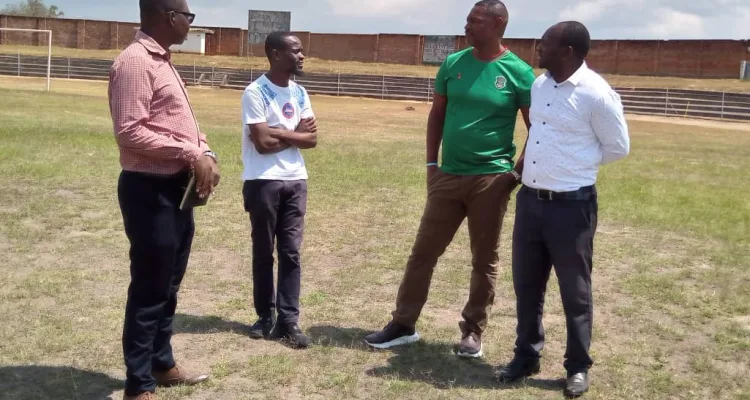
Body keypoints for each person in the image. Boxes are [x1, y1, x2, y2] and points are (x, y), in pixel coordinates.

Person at [364, 0, 535, 358]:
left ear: (498, 24)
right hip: (448, 175)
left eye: (475, 21)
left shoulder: (519, 72)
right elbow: (436, 116)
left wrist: (514, 174)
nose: (466, 26)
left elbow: (538, 131)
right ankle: (403, 323)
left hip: (491, 178)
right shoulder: (453, 64)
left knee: (483, 258)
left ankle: (473, 331)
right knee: (423, 252)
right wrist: (431, 164)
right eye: (468, 20)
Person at [496, 21, 630, 398]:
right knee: (526, 285)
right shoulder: (540, 87)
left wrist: (577, 163)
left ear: (568, 51)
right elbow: (536, 133)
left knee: (575, 292)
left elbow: (618, 147)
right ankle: (526, 356)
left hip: (572, 206)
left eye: (546, 45)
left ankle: (577, 366)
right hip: (531, 202)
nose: (538, 49)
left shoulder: (596, 94)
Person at [108, 0, 220, 399]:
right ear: (167, 17)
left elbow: (181, 123)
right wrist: (190, 154)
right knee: (150, 286)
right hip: (148, 190)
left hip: (176, 189)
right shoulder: (136, 62)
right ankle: (138, 385)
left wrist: (204, 151)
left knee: (169, 283)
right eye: (187, 16)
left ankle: (161, 362)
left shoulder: (163, 61)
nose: (191, 23)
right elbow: (130, 131)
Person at [241, 31, 318, 349]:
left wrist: (279, 132)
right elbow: (261, 144)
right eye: (296, 51)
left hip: (296, 180)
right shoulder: (255, 91)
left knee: (291, 253)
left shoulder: (300, 93)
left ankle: (288, 321)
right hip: (263, 181)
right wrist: (293, 133)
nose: (302, 56)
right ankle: (264, 316)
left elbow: (312, 139)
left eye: (302, 52)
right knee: (263, 252)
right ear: (274, 54)